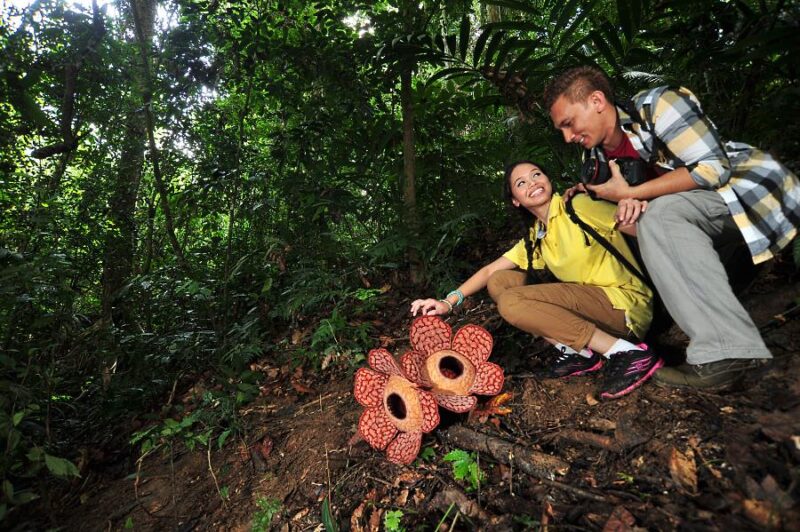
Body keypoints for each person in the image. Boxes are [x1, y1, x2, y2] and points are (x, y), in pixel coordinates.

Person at [544, 66, 800, 390]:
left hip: (749, 195)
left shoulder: (657, 105)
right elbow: (632, 218)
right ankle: (692, 310)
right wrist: (592, 198)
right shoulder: (596, 157)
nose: (567, 137)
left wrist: (632, 194)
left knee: (660, 216)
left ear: (596, 101)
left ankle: (725, 355)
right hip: (699, 219)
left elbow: (713, 169)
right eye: (561, 131)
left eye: (569, 123)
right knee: (639, 222)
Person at [410, 161, 662, 400]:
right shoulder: (537, 235)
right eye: (520, 183)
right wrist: (447, 302)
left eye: (535, 175)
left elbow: (645, 228)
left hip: (625, 305)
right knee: (500, 282)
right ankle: (577, 353)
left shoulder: (578, 206)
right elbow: (489, 272)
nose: (531, 183)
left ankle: (627, 353)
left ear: (547, 179)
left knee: (511, 302)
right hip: (593, 303)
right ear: (515, 201)